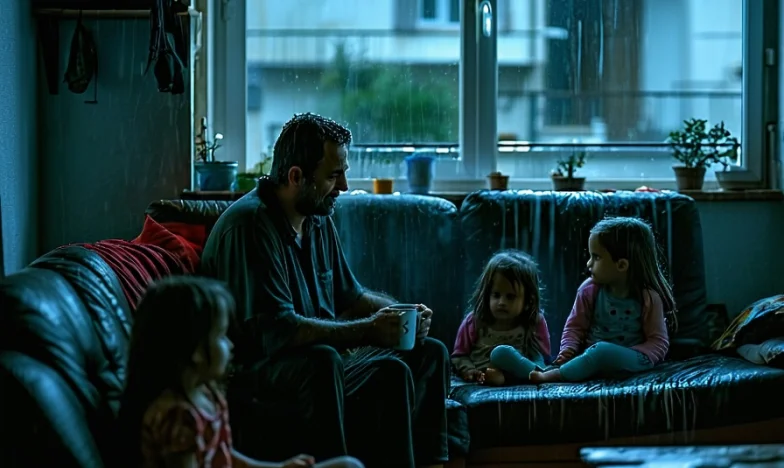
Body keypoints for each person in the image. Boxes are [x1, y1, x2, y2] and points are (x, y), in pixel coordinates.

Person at [200, 113, 450, 468]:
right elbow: (278, 332)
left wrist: (401, 316)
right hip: (258, 371)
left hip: (320, 362)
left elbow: (352, 298)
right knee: (323, 361)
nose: (344, 186)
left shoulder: (316, 217)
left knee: (427, 352)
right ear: (296, 176)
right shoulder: (250, 227)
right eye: (334, 175)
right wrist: (369, 330)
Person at [117, 276, 363, 468]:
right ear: (196, 352)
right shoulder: (178, 417)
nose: (230, 345)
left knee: (349, 465)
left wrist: (278, 466)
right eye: (222, 336)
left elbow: (226, 457)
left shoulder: (209, 395)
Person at [529, 216, 678, 383]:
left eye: (596, 257)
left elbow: (658, 341)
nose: (588, 264)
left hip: (631, 360)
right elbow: (575, 327)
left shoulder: (648, 297)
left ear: (621, 265)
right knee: (599, 352)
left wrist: (637, 356)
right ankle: (573, 366)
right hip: (593, 358)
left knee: (602, 351)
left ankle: (555, 375)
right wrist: (567, 351)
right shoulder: (589, 290)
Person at [451, 250, 551, 386]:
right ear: (487, 294)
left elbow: (542, 356)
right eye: (496, 295)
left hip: (520, 376)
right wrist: (469, 370)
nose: (502, 302)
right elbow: (459, 355)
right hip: (484, 374)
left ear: (528, 300)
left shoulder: (533, 322)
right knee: (493, 373)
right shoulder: (475, 321)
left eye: (510, 297)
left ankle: (535, 376)